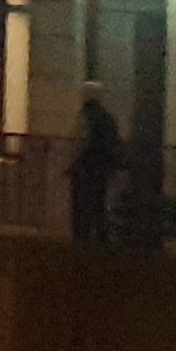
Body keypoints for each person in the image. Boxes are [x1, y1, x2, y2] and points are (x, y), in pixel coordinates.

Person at [67, 89, 124, 247]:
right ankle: (100, 234)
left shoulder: (85, 117)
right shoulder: (108, 118)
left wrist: (73, 163)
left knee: (82, 203)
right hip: (102, 167)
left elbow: (80, 142)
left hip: (86, 167)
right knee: (98, 201)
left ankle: (82, 236)